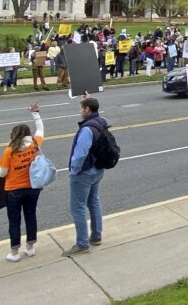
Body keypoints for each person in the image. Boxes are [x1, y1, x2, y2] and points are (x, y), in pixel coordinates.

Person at [0, 102, 44, 261]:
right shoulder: (34, 144)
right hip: (32, 187)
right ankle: (30, 247)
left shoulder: (9, 150)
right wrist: (35, 113)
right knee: (31, 216)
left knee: (14, 220)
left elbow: (2, 173)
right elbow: (41, 129)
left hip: (13, 189)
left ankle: (15, 251)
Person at [64, 94, 108, 256]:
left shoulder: (87, 129)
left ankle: (82, 243)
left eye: (81, 108)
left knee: (78, 207)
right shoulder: (101, 122)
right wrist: (88, 98)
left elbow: (80, 154)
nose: (79, 111)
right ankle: (96, 235)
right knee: (94, 201)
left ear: (87, 110)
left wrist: (74, 170)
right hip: (98, 170)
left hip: (84, 173)